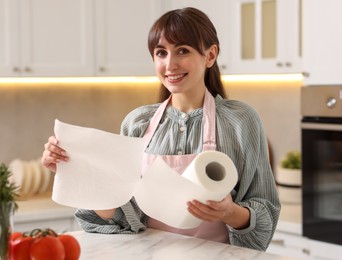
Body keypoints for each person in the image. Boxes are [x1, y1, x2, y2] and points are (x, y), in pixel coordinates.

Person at [42, 7, 280, 251]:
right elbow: (125, 218)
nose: (170, 64)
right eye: (161, 53)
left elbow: (265, 211)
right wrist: (73, 169)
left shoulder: (240, 121)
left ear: (210, 56)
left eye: (182, 51)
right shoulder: (138, 123)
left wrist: (231, 213)